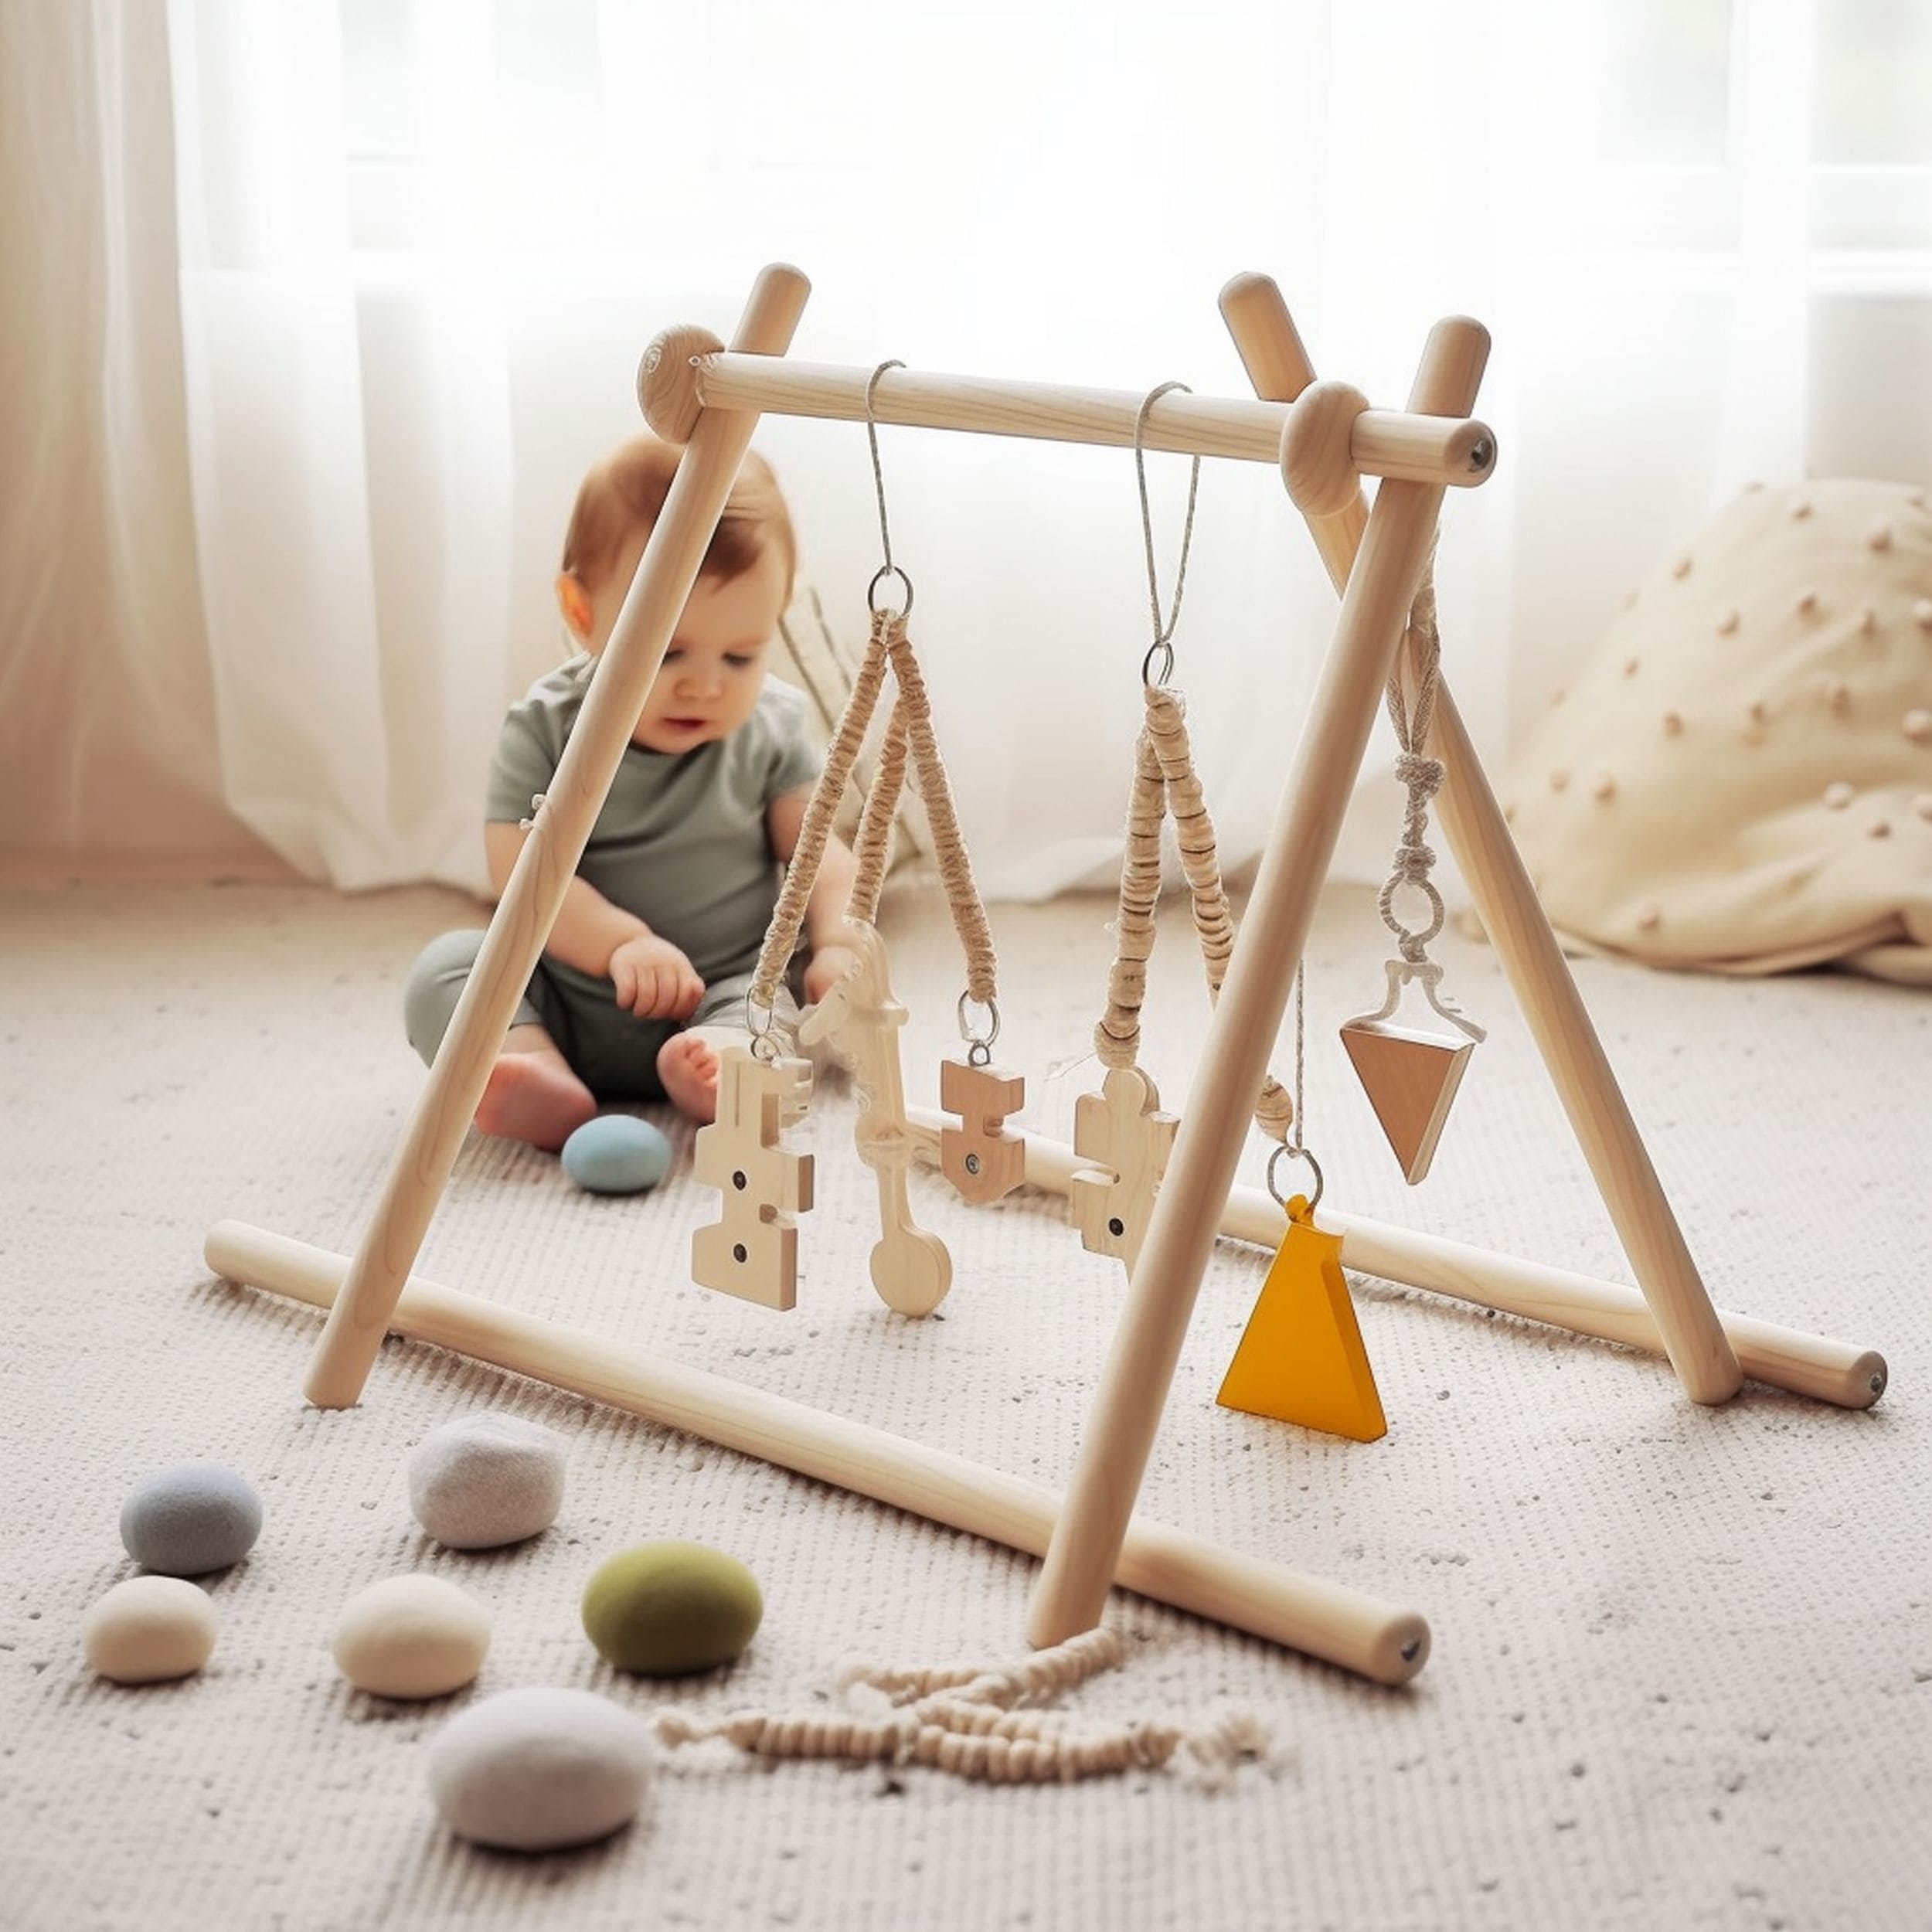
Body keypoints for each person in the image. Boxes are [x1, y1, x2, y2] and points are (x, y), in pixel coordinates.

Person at [402, 433, 858, 1149]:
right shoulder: (547, 729)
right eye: (668, 651)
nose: (705, 683)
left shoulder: (771, 726)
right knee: (447, 970)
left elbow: (816, 854)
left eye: (740, 655)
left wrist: (837, 937)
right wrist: (622, 945)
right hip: (564, 996)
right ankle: (531, 1068)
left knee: (773, 1007)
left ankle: (721, 1070)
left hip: (718, 993)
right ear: (582, 613)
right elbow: (518, 874)